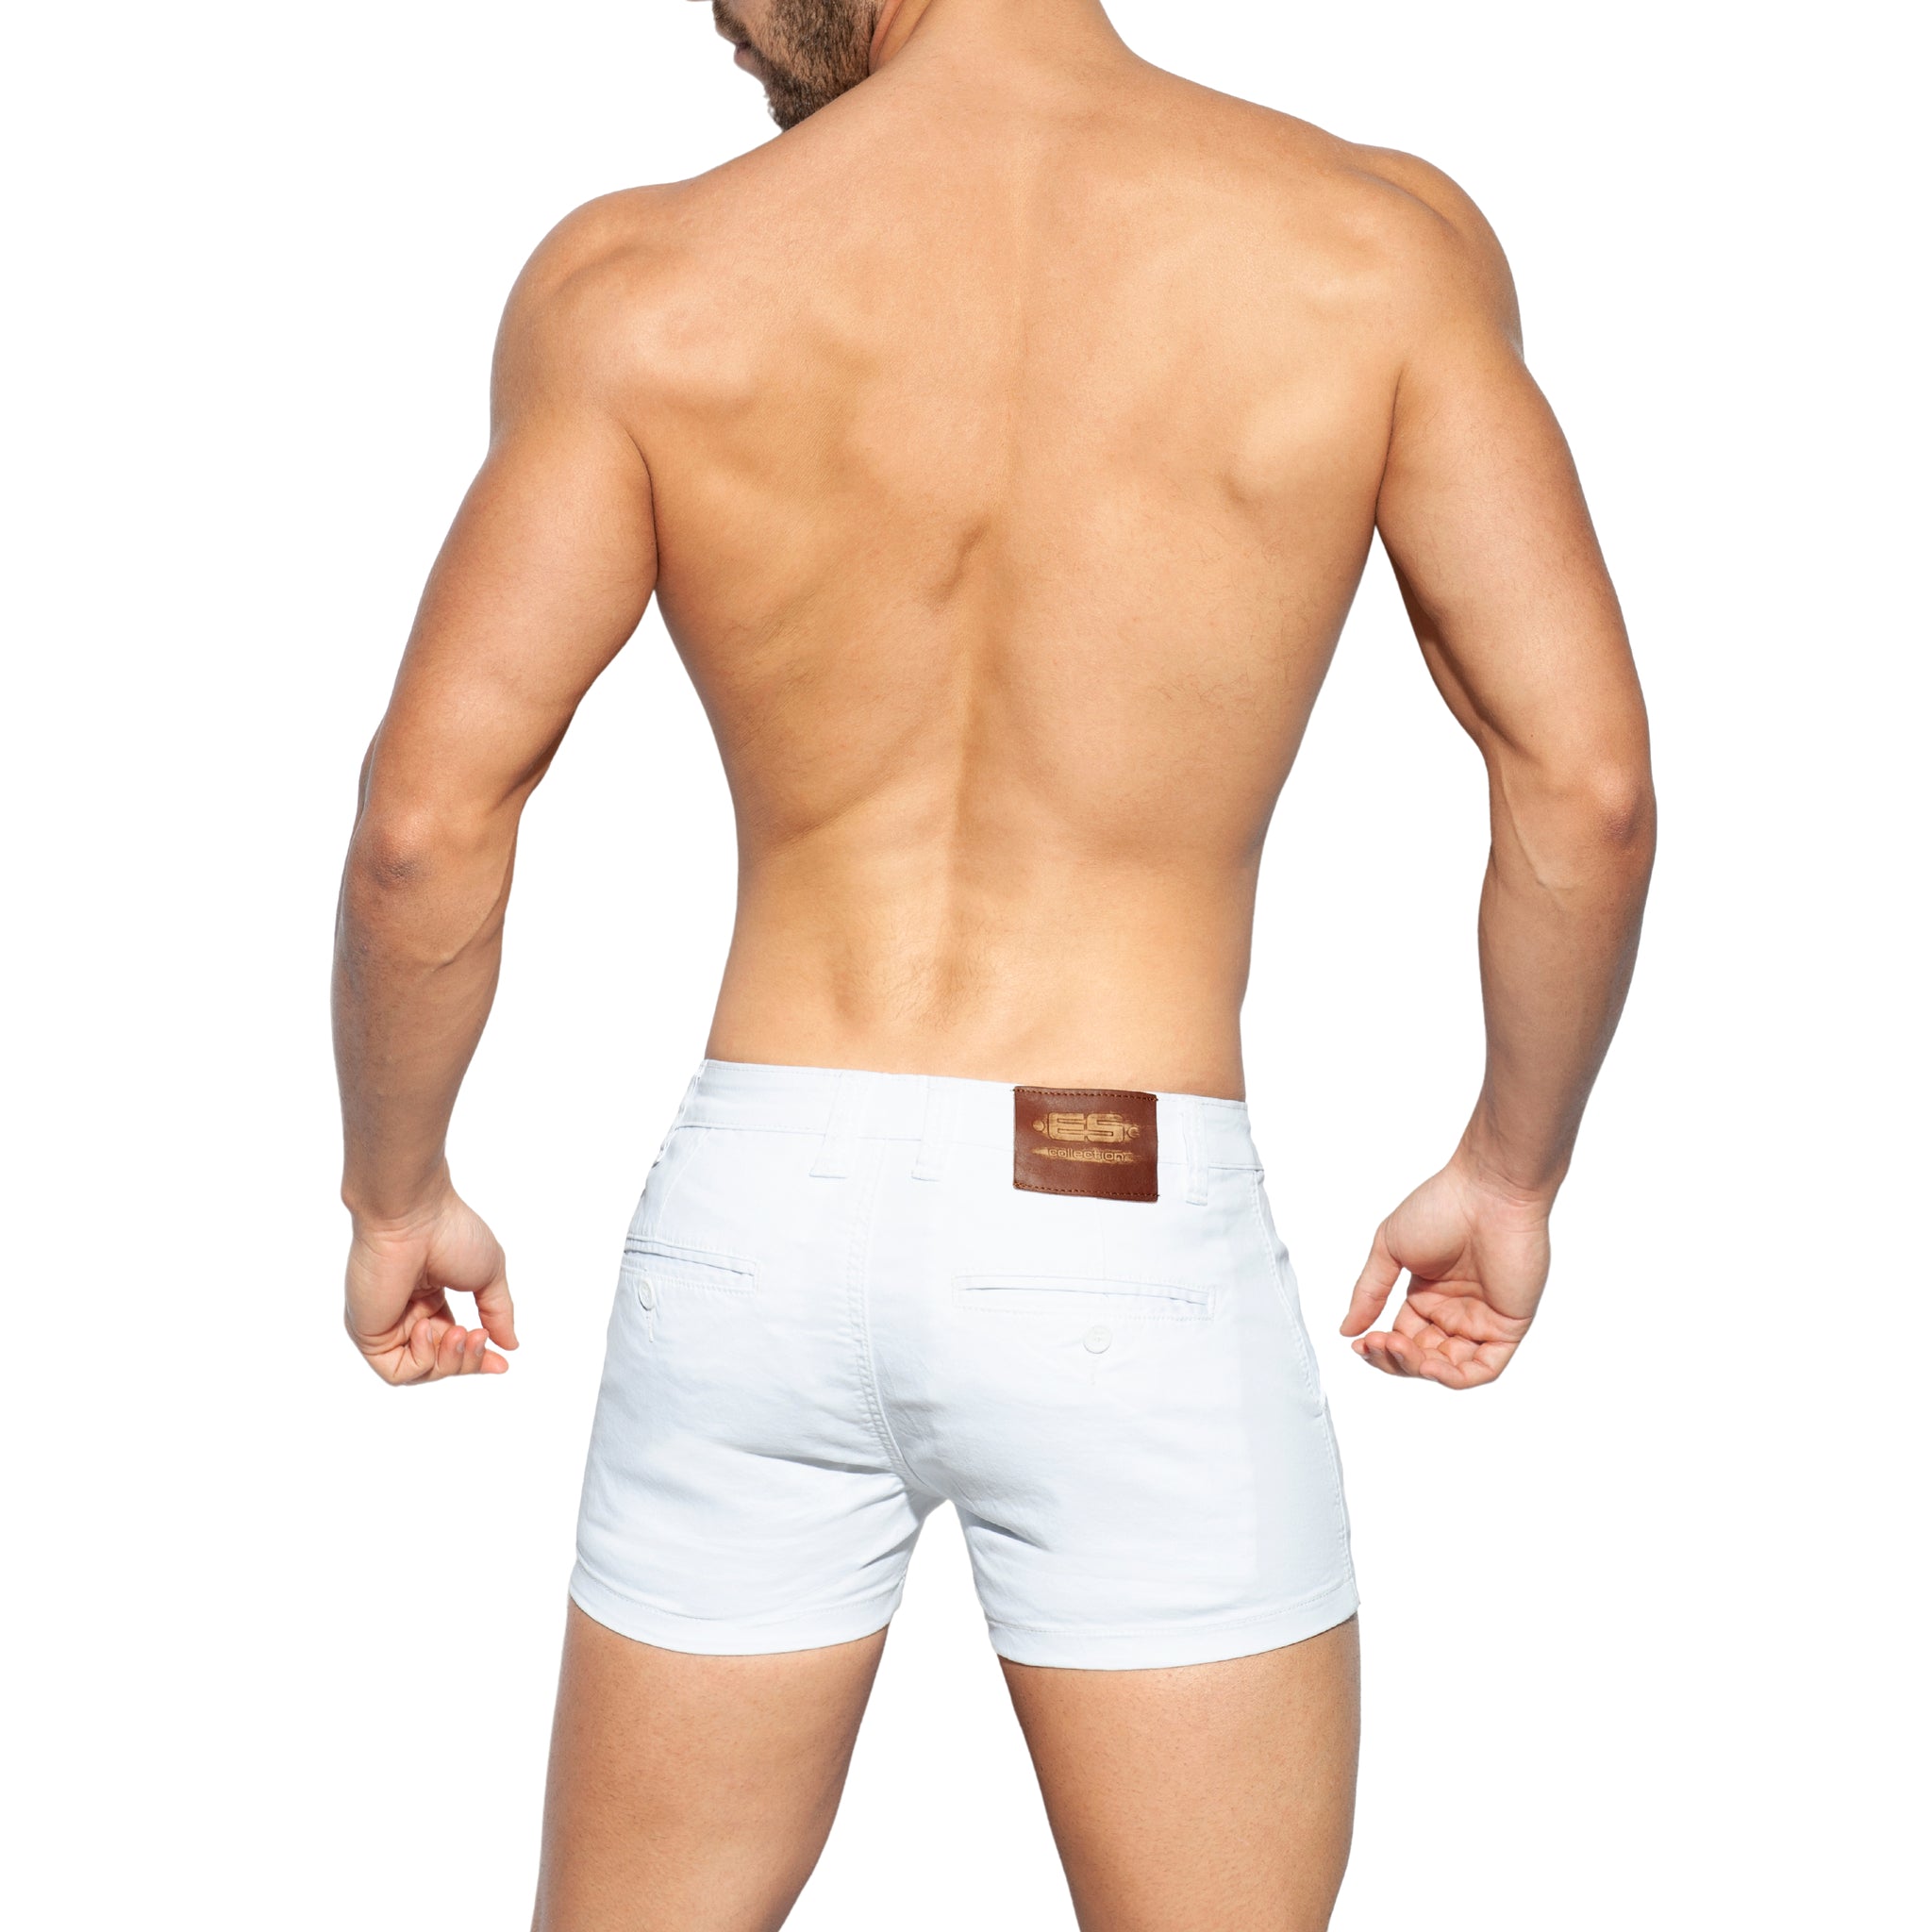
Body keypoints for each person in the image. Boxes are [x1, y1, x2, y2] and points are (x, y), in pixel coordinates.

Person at [331, 0, 1655, 1924]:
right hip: (1124, 1202)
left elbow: (422, 825)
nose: (720, 16)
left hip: (759, 1216)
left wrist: (395, 1191)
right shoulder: (1370, 250)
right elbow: (1586, 791)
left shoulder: (634, 283)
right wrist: (1510, 1171)